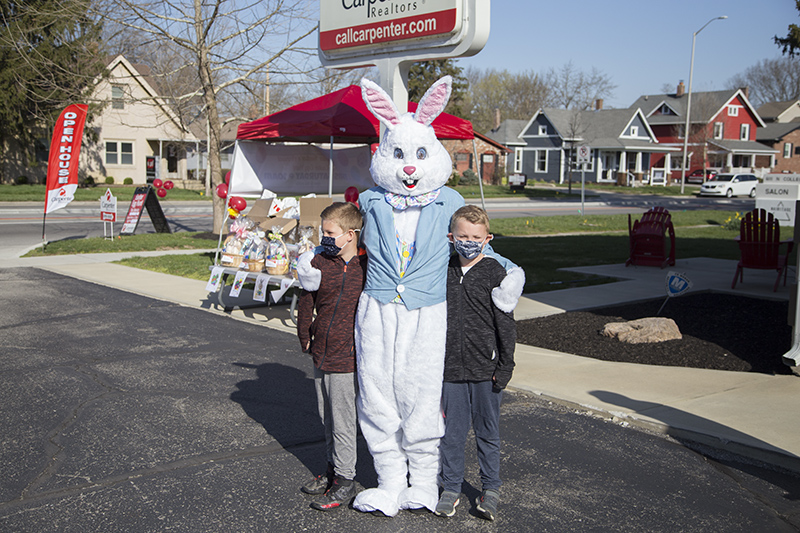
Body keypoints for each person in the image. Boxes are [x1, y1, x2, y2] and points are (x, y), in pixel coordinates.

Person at [434, 205, 517, 521]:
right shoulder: (444, 270)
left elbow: (506, 323)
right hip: (450, 370)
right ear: (451, 237)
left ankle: (491, 489)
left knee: (487, 431)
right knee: (451, 434)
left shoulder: (495, 272)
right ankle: (451, 488)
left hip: (487, 371)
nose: (469, 241)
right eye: (463, 236)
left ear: (487, 239)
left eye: (476, 237)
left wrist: (505, 366)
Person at [296, 202, 366, 511]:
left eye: (329, 232)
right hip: (320, 351)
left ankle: (346, 479)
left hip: (346, 356)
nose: (323, 237)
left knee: (343, 420)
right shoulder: (319, 262)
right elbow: (306, 299)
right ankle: (331, 470)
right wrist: (304, 334)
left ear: (350, 235)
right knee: (326, 417)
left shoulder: (366, 268)